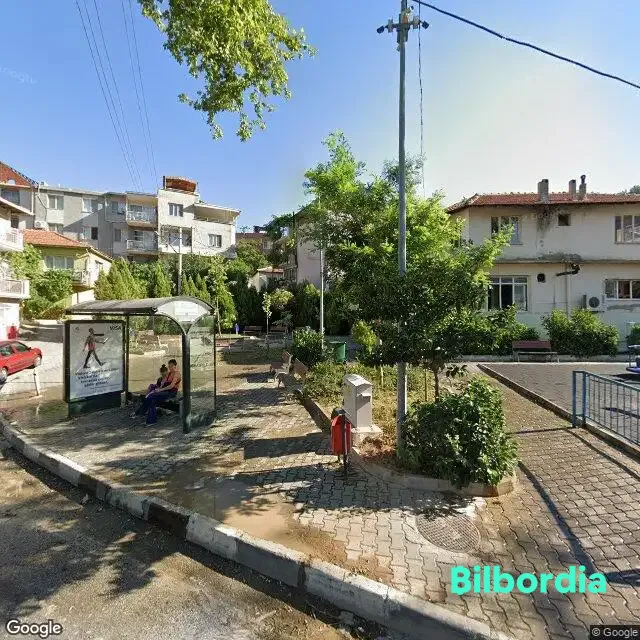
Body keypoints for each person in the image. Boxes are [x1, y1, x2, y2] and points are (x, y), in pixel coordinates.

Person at [134, 358, 181, 426]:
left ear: (175, 366)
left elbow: (171, 386)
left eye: (171, 366)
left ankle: (140, 413)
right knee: (152, 399)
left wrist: (160, 390)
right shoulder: (169, 373)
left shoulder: (177, 373)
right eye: (169, 366)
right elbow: (163, 383)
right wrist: (158, 388)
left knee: (151, 396)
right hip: (165, 391)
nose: (170, 368)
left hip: (171, 392)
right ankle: (150, 420)